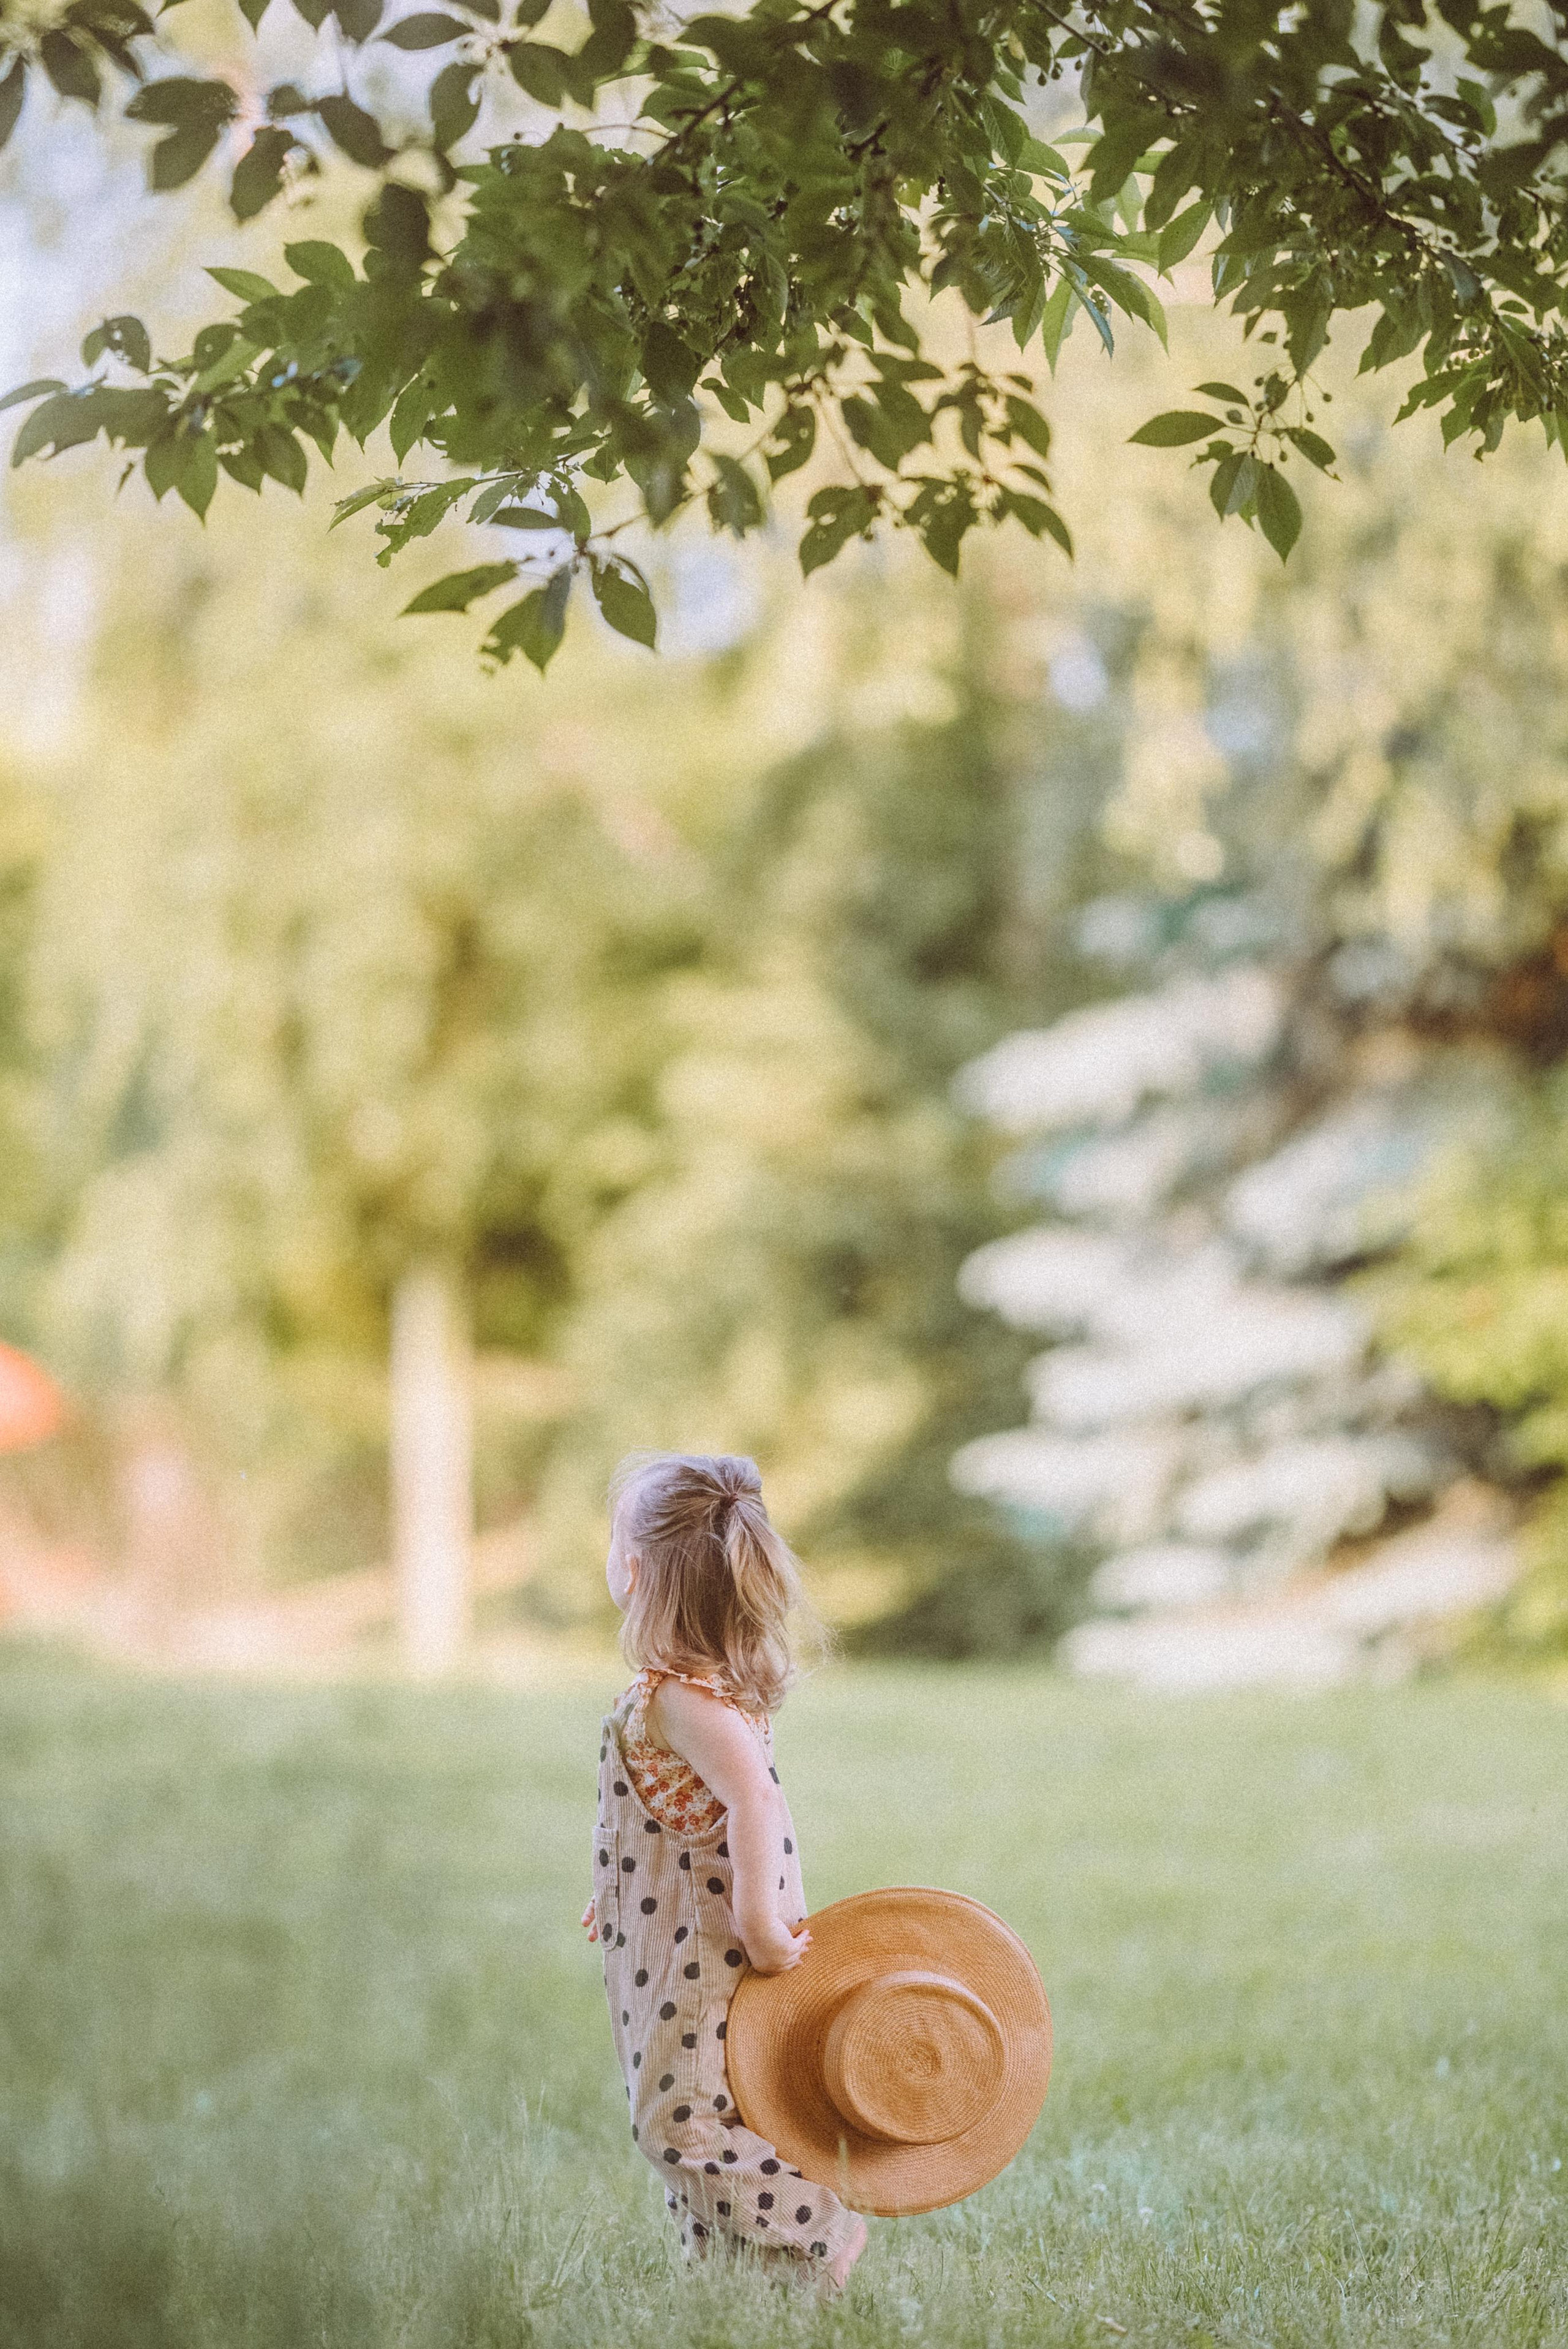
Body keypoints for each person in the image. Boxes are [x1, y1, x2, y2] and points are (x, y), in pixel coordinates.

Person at [581, 1450, 869, 2292]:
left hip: (704, 1951)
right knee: (715, 2103)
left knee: (678, 2122)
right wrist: (610, 1887)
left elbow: (755, 1805)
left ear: (635, 1569)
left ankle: (819, 2225)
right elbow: (661, 1812)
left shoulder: (685, 1702)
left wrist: (757, 1923)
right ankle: (735, 2279)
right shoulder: (680, 1692)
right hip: (656, 1940)